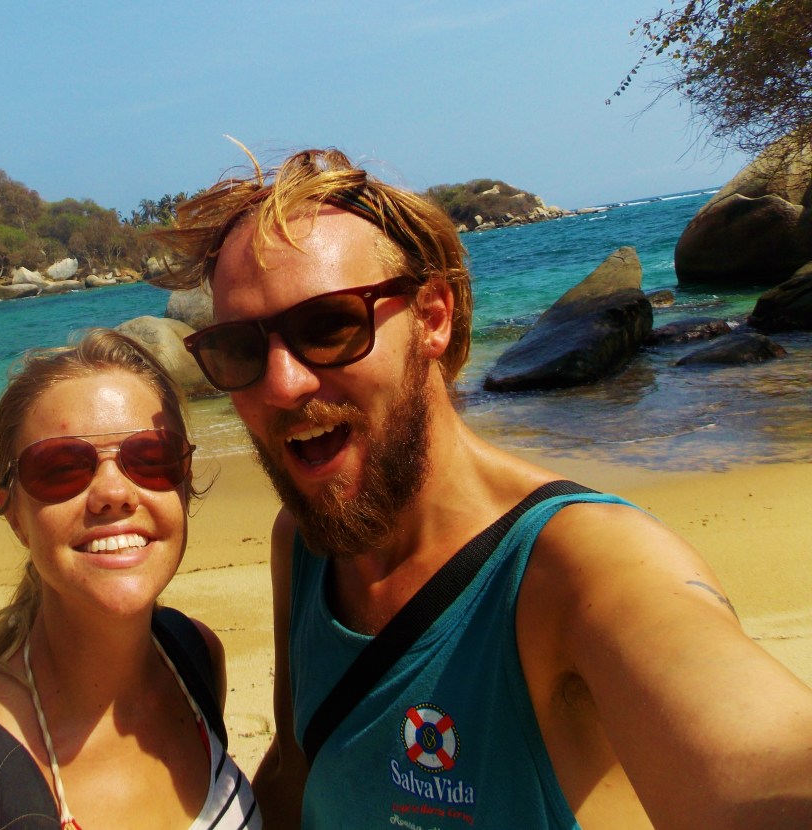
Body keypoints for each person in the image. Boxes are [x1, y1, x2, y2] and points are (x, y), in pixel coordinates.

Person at [152, 149, 812, 829]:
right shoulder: (306, 542)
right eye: (239, 348)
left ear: (433, 317)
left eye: (330, 325)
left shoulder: (587, 566)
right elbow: (297, 773)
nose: (282, 384)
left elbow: (758, 760)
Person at [0, 329, 262, 829]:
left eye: (151, 458)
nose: (114, 493)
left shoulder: (194, 656)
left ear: (186, 480)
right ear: (15, 515)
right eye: (61, 468)